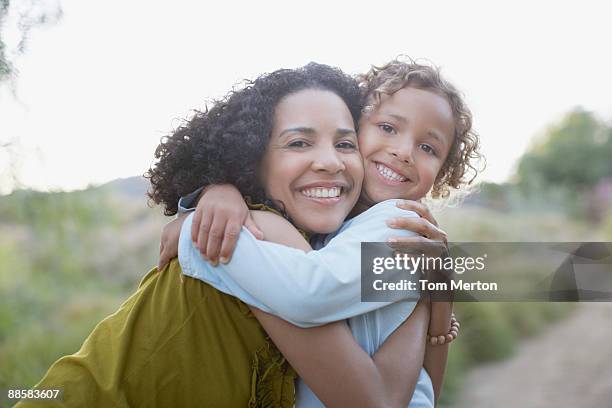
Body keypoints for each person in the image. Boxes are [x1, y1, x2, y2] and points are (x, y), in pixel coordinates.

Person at [15, 63, 441, 408]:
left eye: (345, 145)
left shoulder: (316, 246)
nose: (329, 161)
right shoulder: (259, 235)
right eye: (298, 143)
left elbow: (422, 392)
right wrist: (426, 283)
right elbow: (372, 401)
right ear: (250, 158)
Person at [162, 59, 480, 407]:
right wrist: (218, 192)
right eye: (388, 128)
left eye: (428, 148)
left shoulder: (400, 223)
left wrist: (194, 233)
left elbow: (310, 293)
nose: (403, 152)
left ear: (443, 172)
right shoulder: (332, 228)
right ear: (356, 127)